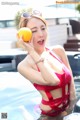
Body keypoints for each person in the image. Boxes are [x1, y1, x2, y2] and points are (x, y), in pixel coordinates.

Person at [17, 10, 76, 120]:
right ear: (25, 36)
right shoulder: (24, 66)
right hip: (49, 116)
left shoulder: (58, 51)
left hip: (67, 110)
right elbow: (53, 80)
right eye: (34, 31)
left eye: (43, 28)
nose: (41, 34)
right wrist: (32, 52)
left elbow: (71, 80)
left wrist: (72, 103)